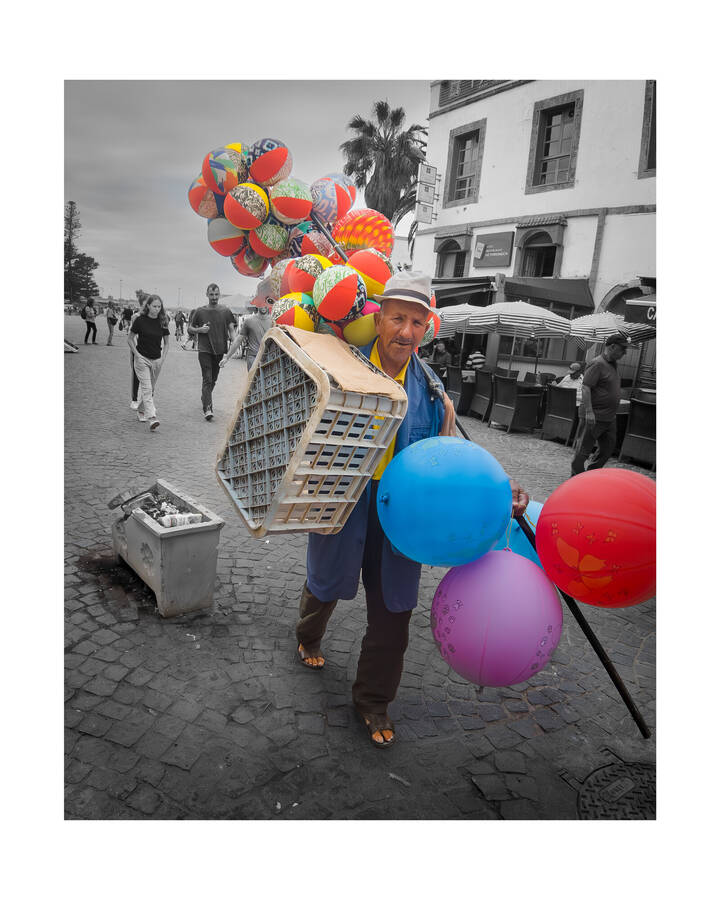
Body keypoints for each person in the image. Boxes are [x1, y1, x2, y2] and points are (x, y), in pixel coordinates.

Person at [294, 271, 529, 748]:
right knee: (325, 582)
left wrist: (502, 488)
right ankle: (307, 635)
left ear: (428, 328)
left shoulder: (433, 389)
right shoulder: (345, 368)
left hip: (402, 517)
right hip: (345, 503)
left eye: (416, 322)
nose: (406, 331)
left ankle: (374, 701)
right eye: (397, 318)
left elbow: (452, 458)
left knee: (394, 610)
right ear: (379, 320)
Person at [570, 335, 629, 476]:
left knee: (607, 449)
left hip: (609, 417)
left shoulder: (613, 364)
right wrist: (589, 412)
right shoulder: (597, 363)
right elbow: (586, 387)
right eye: (623, 349)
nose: (624, 353)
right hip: (594, 416)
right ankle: (576, 477)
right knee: (583, 450)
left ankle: (590, 475)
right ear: (612, 346)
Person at [187, 284, 237, 421]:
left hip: (220, 350)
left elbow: (231, 330)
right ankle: (208, 408)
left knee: (213, 379)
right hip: (204, 349)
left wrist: (235, 343)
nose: (214, 297)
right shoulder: (200, 311)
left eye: (216, 295)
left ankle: (205, 396)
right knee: (207, 378)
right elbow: (190, 328)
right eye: (211, 295)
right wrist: (199, 330)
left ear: (219, 295)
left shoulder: (226, 311)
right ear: (207, 294)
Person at [127, 294, 170, 431]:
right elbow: (130, 339)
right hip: (142, 359)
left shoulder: (163, 321)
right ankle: (152, 417)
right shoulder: (140, 320)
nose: (157, 309)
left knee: (151, 389)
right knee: (147, 388)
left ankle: (141, 409)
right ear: (148, 306)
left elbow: (167, 343)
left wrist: (162, 359)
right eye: (154, 306)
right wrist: (137, 355)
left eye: (159, 306)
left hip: (156, 360)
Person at [223, 302, 270, 371]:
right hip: (253, 358)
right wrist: (227, 357)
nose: (264, 306)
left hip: (269, 358)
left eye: (266, 303)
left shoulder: (273, 321)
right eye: (261, 302)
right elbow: (239, 340)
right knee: (254, 381)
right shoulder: (249, 321)